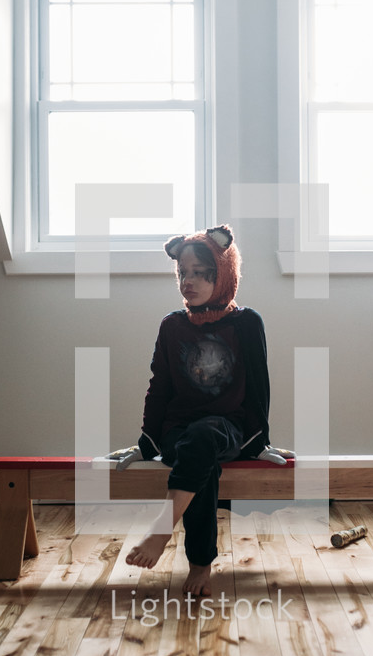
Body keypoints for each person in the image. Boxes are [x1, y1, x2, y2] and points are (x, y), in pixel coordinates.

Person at [107, 224, 294, 596]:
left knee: (205, 438)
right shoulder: (172, 326)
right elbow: (159, 386)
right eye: (182, 273)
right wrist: (147, 442)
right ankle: (200, 562)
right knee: (197, 451)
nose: (187, 282)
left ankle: (164, 532)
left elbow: (259, 386)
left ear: (222, 274)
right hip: (180, 432)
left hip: (229, 428)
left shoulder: (246, 323)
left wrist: (259, 441)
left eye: (199, 273)